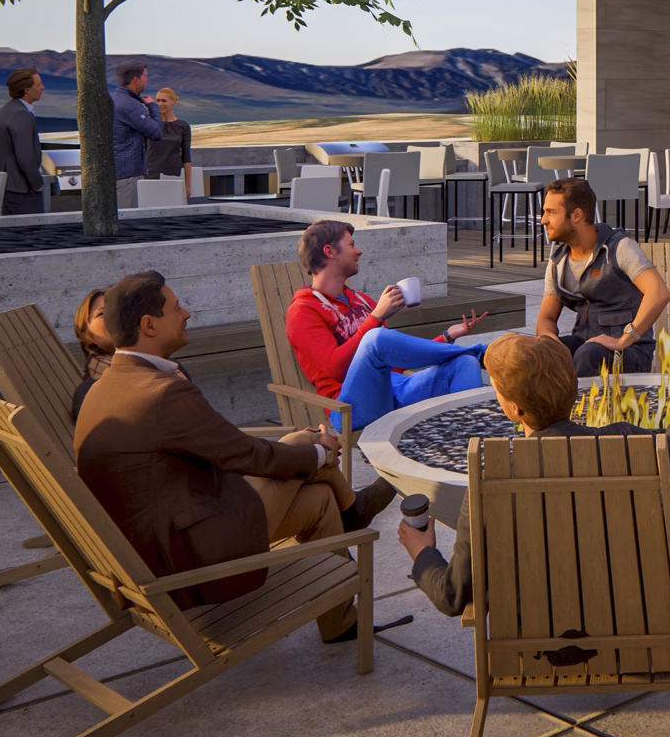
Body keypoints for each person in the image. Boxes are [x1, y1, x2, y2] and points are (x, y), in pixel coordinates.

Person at [75, 270, 393, 639]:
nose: (187, 314)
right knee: (303, 446)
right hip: (188, 561)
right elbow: (244, 454)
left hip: (158, 548)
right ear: (149, 325)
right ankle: (352, 507)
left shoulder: (106, 387)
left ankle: (340, 619)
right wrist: (320, 455)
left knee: (319, 499)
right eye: (176, 308)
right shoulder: (160, 393)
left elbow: (225, 451)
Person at [398, 333, 670, 617]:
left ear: (515, 409)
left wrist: (422, 551)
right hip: (631, 619)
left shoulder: (491, 479)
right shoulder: (621, 443)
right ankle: (658, 570)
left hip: (535, 642)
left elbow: (452, 596)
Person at [286, 219, 494, 431]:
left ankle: (470, 440)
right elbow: (335, 369)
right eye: (351, 245)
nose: (359, 251)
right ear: (329, 251)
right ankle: (483, 352)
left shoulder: (363, 301)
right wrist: (376, 317)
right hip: (351, 408)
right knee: (376, 339)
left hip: (396, 390)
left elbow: (394, 363)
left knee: (464, 363)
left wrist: (446, 337)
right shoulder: (303, 311)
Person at [536, 176, 670, 376]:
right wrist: (549, 341)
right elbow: (546, 319)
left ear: (576, 215)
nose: (543, 220)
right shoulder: (558, 262)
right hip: (584, 345)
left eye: (551, 212)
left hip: (629, 353)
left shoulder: (619, 248)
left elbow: (659, 293)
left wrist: (624, 339)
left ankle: (575, 398)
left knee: (588, 355)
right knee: (537, 355)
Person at [0, 67, 46, 215]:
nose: (42, 87)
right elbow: (25, 157)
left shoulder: (7, 110)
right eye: (39, 84)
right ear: (27, 90)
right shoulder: (20, 114)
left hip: (7, 188)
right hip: (21, 191)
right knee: (31, 228)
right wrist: (37, 183)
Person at [111, 61, 164, 207]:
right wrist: (153, 107)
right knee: (128, 216)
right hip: (127, 174)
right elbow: (156, 133)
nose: (147, 80)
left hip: (113, 171)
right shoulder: (131, 105)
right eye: (145, 76)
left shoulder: (113, 99)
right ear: (135, 79)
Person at [69, 287, 114, 422]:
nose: (115, 318)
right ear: (85, 332)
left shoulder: (163, 365)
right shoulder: (89, 394)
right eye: (102, 314)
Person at [146, 87, 193, 192]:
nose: (160, 104)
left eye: (164, 101)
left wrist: (188, 186)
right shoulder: (150, 124)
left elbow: (186, 159)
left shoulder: (183, 126)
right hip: (151, 176)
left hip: (173, 176)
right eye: (158, 100)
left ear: (173, 101)